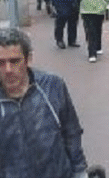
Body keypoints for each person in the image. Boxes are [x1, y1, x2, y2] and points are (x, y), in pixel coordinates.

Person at [0, 28, 88, 177]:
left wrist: (80, 172)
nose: (8, 70)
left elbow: (71, 132)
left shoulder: (52, 86)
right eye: (1, 63)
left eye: (14, 61)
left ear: (28, 60)